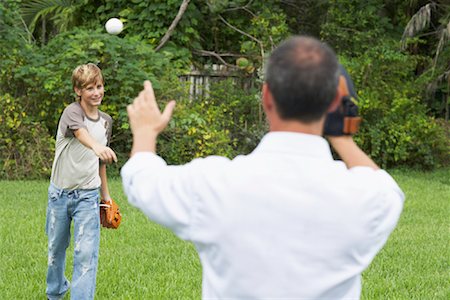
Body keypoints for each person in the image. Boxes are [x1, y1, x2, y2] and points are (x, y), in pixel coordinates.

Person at [121, 36, 404, 298]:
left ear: (266, 96)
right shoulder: (366, 198)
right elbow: (387, 189)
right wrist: (342, 136)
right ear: (331, 104)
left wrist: (146, 133)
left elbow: (142, 180)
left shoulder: (212, 184)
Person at [46, 63, 117, 300]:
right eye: (89, 88)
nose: (96, 92)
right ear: (78, 90)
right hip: (60, 195)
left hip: (88, 195)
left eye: (99, 86)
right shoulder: (72, 112)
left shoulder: (106, 121)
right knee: (56, 250)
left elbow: (100, 163)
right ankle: (55, 292)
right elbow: (80, 133)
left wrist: (106, 197)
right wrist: (98, 147)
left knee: (86, 254)